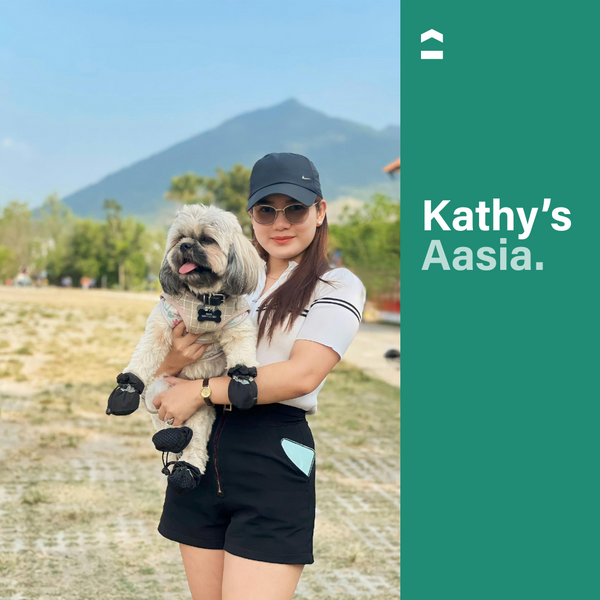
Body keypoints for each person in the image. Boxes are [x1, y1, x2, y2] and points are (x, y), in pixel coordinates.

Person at [151, 152, 366, 600]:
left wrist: (202, 390)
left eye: (296, 209)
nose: (280, 222)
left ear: (320, 211)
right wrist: (172, 367)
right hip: (199, 453)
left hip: (274, 456)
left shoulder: (336, 285)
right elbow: (169, 359)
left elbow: (301, 375)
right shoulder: (225, 284)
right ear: (251, 216)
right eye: (267, 210)